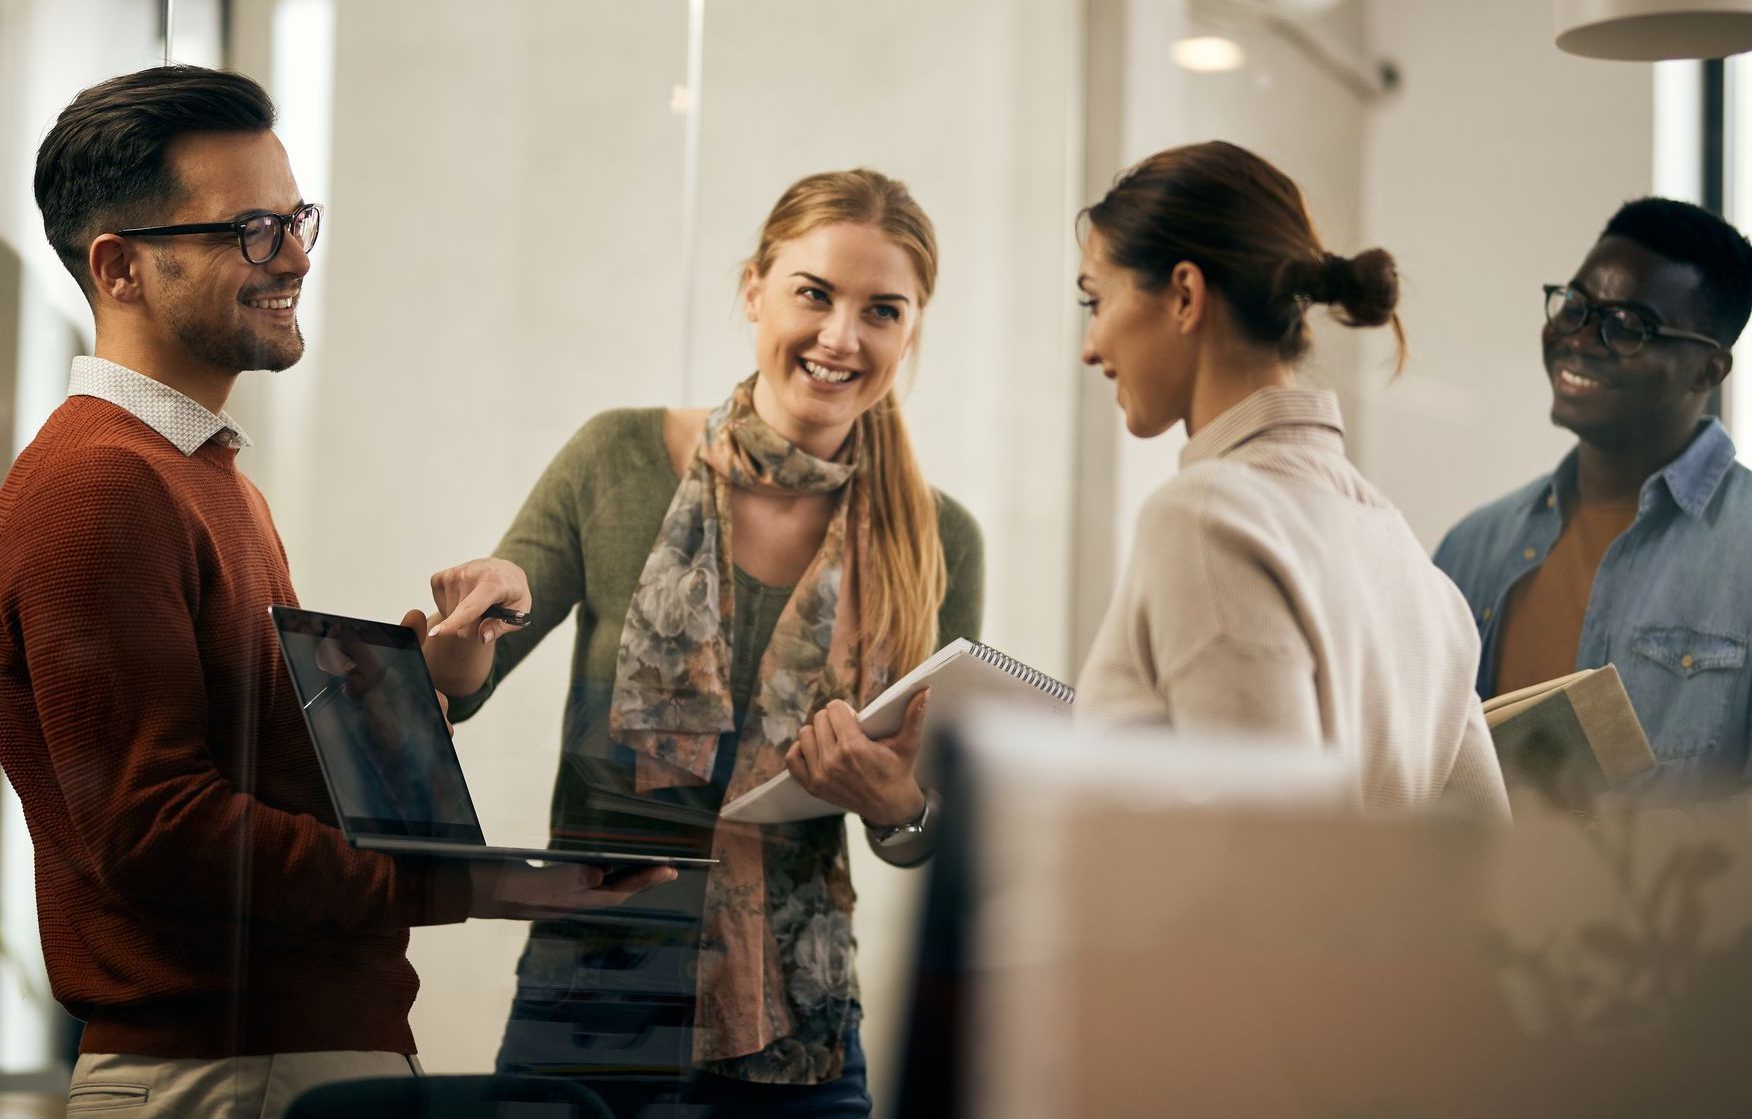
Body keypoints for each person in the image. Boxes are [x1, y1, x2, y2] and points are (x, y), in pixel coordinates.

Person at [0, 66, 670, 1119]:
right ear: (120, 266)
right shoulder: (100, 484)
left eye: (297, 218)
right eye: (253, 229)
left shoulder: (206, 476)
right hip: (220, 1074)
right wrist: (476, 884)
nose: (297, 256)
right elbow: (160, 830)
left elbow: (262, 763)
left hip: (281, 1060)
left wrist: (429, 673)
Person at [421, 168, 984, 1116]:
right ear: (754, 289)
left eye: (881, 311)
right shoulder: (617, 458)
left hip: (797, 1036)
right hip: (590, 1005)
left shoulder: (939, 538)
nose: (842, 337)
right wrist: (469, 624)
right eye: (814, 293)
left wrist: (893, 803)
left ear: (911, 331)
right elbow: (462, 684)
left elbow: (931, 829)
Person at [1072, 141, 1507, 819]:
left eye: (1095, 300)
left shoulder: (1205, 517)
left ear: (1185, 295)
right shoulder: (1406, 557)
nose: (1090, 345)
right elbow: (1483, 862)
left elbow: (1261, 866)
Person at [1435, 198, 1752, 800]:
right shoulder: (1472, 546)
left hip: (1679, 897)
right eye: (1576, 307)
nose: (1578, 340)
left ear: (1707, 371)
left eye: (1627, 326)